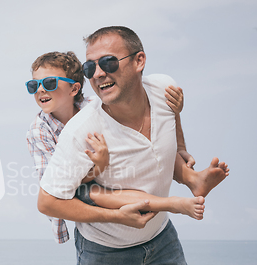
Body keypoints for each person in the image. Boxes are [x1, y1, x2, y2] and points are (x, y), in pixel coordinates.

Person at [36, 27, 229, 265]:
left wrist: (183, 154)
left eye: (109, 63)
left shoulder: (166, 90)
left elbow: (166, 134)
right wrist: (115, 216)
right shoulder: (80, 131)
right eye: (90, 68)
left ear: (139, 60)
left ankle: (191, 184)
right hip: (103, 250)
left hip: (161, 238)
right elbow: (47, 202)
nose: (98, 73)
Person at [26, 51, 228, 243]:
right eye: (33, 85)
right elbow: (56, 186)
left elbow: (139, 123)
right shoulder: (39, 131)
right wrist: (98, 167)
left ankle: (192, 178)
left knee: (141, 138)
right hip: (80, 185)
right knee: (94, 191)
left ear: (74, 89)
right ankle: (172, 204)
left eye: (49, 83)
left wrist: (176, 117)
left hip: (112, 167)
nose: (40, 89)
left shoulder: (94, 107)